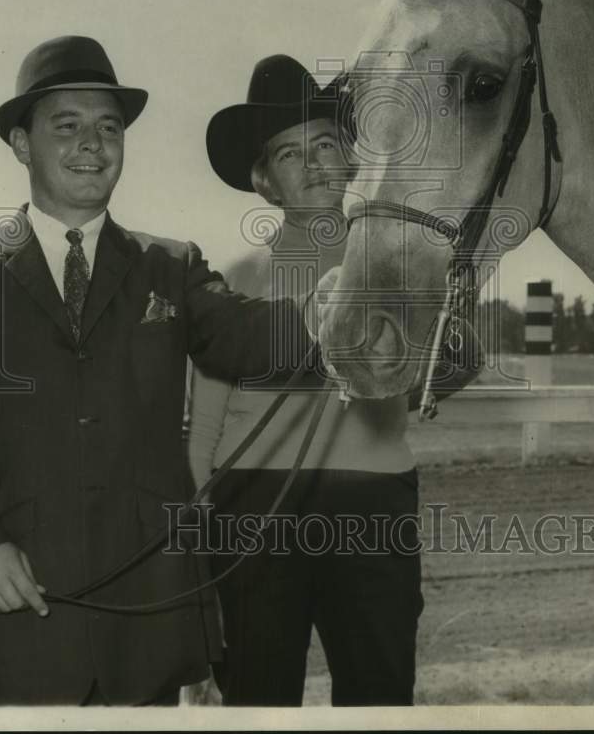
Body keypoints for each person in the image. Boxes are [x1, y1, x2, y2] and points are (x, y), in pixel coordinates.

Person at [0, 36, 316, 707]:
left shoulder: (170, 266)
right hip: (14, 614)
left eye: (108, 128)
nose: (91, 145)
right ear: (19, 143)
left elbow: (252, 337)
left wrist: (358, 306)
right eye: (66, 126)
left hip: (143, 628)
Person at [188, 54, 481, 707]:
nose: (316, 163)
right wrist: (196, 546)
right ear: (264, 182)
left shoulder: (404, 263)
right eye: (290, 155)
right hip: (251, 515)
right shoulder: (232, 278)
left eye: (326, 143)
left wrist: (450, 316)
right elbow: (202, 428)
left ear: (353, 157)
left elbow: (445, 368)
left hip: (371, 505)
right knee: (258, 701)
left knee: (378, 695)